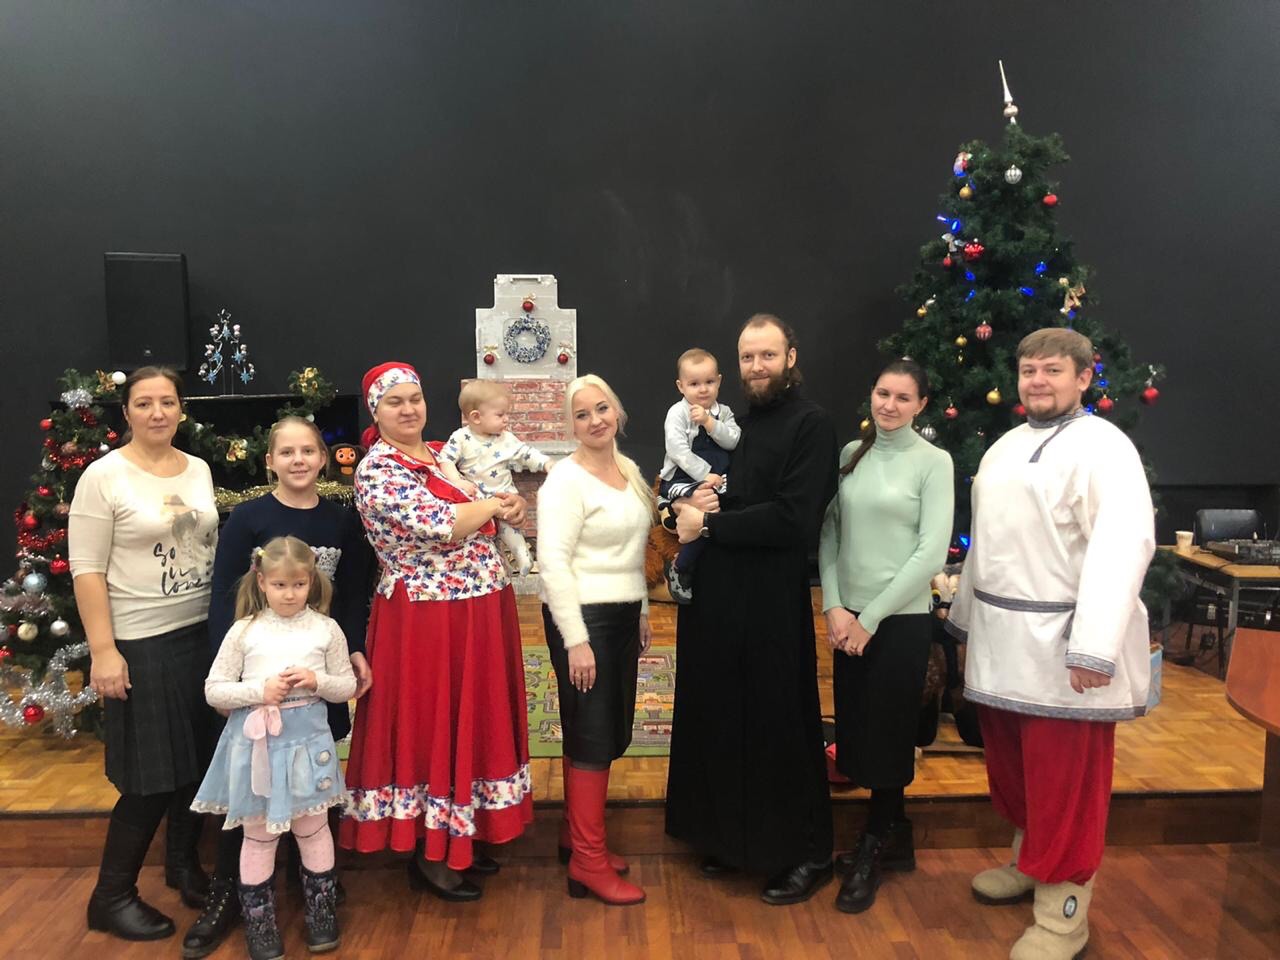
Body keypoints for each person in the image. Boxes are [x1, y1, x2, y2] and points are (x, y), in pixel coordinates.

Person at [947, 328, 1155, 960]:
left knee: (1066, 785)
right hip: (1001, 643)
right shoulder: (1005, 447)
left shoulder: (1106, 448)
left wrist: (1094, 646)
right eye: (1028, 370)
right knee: (1016, 771)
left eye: (1052, 370)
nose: (1037, 381)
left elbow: (1122, 546)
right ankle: (1027, 861)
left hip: (1064, 651)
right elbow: (987, 544)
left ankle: (1064, 915)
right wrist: (965, 622)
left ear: (1084, 377)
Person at [339, 362, 532, 901]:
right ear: (375, 412)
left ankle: (466, 832)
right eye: (394, 401)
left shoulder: (442, 454)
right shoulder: (379, 469)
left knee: (477, 716)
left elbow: (487, 503)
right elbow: (443, 525)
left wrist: (507, 503)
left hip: (480, 607)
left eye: (415, 398)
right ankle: (431, 850)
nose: (408, 409)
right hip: (427, 619)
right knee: (434, 722)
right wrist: (493, 507)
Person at [183, 416, 373, 958]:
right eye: (286, 452)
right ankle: (235, 896)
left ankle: (315, 894)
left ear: (323, 459)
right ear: (270, 461)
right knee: (253, 807)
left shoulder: (341, 520)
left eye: (307, 451)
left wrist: (351, 650)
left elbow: (352, 592)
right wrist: (240, 682)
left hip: (315, 679)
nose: (298, 460)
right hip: (257, 692)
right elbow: (225, 596)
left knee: (313, 795)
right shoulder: (248, 518)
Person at [666, 314, 839, 905]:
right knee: (723, 712)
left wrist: (710, 524)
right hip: (721, 597)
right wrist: (696, 502)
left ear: (791, 356)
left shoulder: (811, 424)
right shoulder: (742, 423)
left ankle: (807, 852)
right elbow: (729, 493)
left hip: (771, 602)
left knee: (778, 720)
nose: (756, 366)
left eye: (767, 355)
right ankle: (734, 840)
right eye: (746, 357)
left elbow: (794, 518)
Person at [70, 366, 219, 941]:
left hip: (199, 635)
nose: (158, 412)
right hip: (139, 641)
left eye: (168, 402)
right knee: (150, 776)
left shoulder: (198, 468)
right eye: (144, 403)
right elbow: (86, 570)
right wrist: (104, 650)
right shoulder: (103, 476)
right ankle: (110, 897)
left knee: (194, 765)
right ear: (126, 411)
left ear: (181, 408)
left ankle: (182, 866)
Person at [817, 358, 953, 914]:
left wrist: (869, 618)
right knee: (856, 729)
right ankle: (893, 838)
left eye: (902, 397)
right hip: (847, 618)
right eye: (882, 393)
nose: (889, 405)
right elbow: (830, 532)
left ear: (921, 405)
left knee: (890, 733)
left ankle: (875, 842)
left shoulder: (934, 463)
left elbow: (931, 553)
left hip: (897, 621)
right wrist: (833, 604)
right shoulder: (852, 454)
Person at [193, 536, 356, 959]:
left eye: (298, 585)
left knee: (313, 829)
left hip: (309, 748)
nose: (289, 594)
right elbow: (214, 689)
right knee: (259, 835)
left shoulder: (326, 629)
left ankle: (321, 913)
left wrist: (317, 681)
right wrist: (258, 691)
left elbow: (346, 687)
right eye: (280, 585)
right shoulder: (244, 631)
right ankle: (260, 923)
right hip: (258, 750)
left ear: (311, 581)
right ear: (262, 582)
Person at [537, 374, 656, 906]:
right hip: (582, 618)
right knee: (592, 733)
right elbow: (552, 563)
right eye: (581, 414)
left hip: (623, 613)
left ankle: (575, 836)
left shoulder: (628, 470)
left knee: (606, 729)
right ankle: (588, 861)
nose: (594, 421)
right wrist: (576, 641)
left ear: (618, 411)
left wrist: (642, 608)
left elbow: (635, 549)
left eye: (602, 408)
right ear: (571, 425)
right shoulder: (564, 481)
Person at [439, 379, 553, 576]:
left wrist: (546, 463)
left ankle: (521, 553)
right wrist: (457, 480)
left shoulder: (506, 439)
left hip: (504, 495)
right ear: (476, 417)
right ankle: (499, 562)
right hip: (476, 500)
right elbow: (445, 460)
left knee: (509, 524)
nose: (506, 419)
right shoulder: (461, 438)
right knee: (484, 536)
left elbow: (525, 453)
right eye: (500, 415)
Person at [658, 347, 740, 603]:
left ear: (719, 381)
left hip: (718, 478)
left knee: (728, 514)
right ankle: (680, 566)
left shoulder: (723, 413)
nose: (703, 389)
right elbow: (677, 450)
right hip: (684, 478)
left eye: (709, 382)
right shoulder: (678, 413)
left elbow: (733, 440)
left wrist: (709, 423)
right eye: (694, 384)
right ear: (681, 386)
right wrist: (705, 474)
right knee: (707, 512)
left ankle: (713, 570)